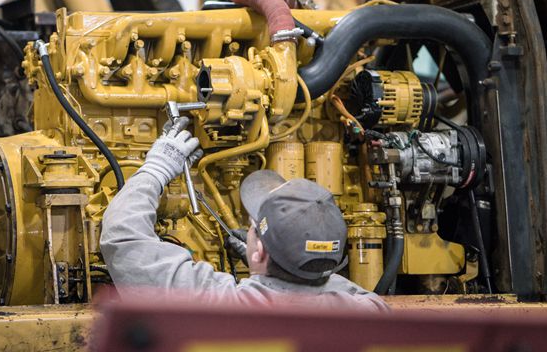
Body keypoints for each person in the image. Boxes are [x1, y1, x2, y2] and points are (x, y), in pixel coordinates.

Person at [100, 117, 388, 312]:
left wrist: (157, 168)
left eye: (253, 228)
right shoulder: (369, 315)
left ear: (259, 251)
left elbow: (124, 238)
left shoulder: (218, 308)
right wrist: (292, 265)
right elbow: (338, 291)